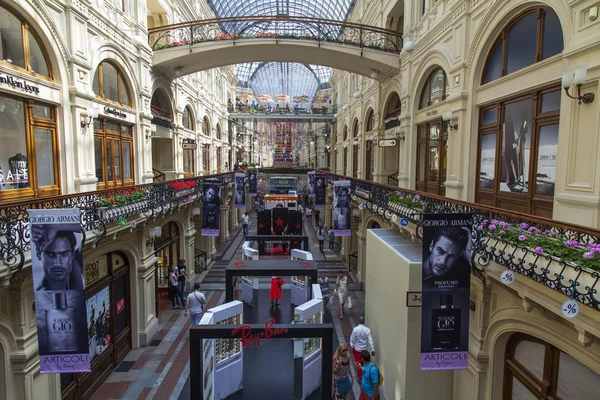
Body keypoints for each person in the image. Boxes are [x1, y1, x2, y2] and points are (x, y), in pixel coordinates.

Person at [32, 225, 84, 291]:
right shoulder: (43, 292)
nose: (58, 263)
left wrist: (56, 227)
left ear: (72, 254)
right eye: (50, 255)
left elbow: (82, 227)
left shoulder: (75, 267)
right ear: (39, 255)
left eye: (64, 254)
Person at [351, 316, 376, 381]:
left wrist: (352, 346)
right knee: (364, 363)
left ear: (358, 321)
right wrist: (373, 349)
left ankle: (360, 378)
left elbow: (352, 339)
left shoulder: (355, 329)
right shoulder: (367, 330)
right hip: (364, 349)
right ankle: (365, 376)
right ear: (364, 322)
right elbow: (370, 340)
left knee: (358, 363)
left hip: (357, 349)